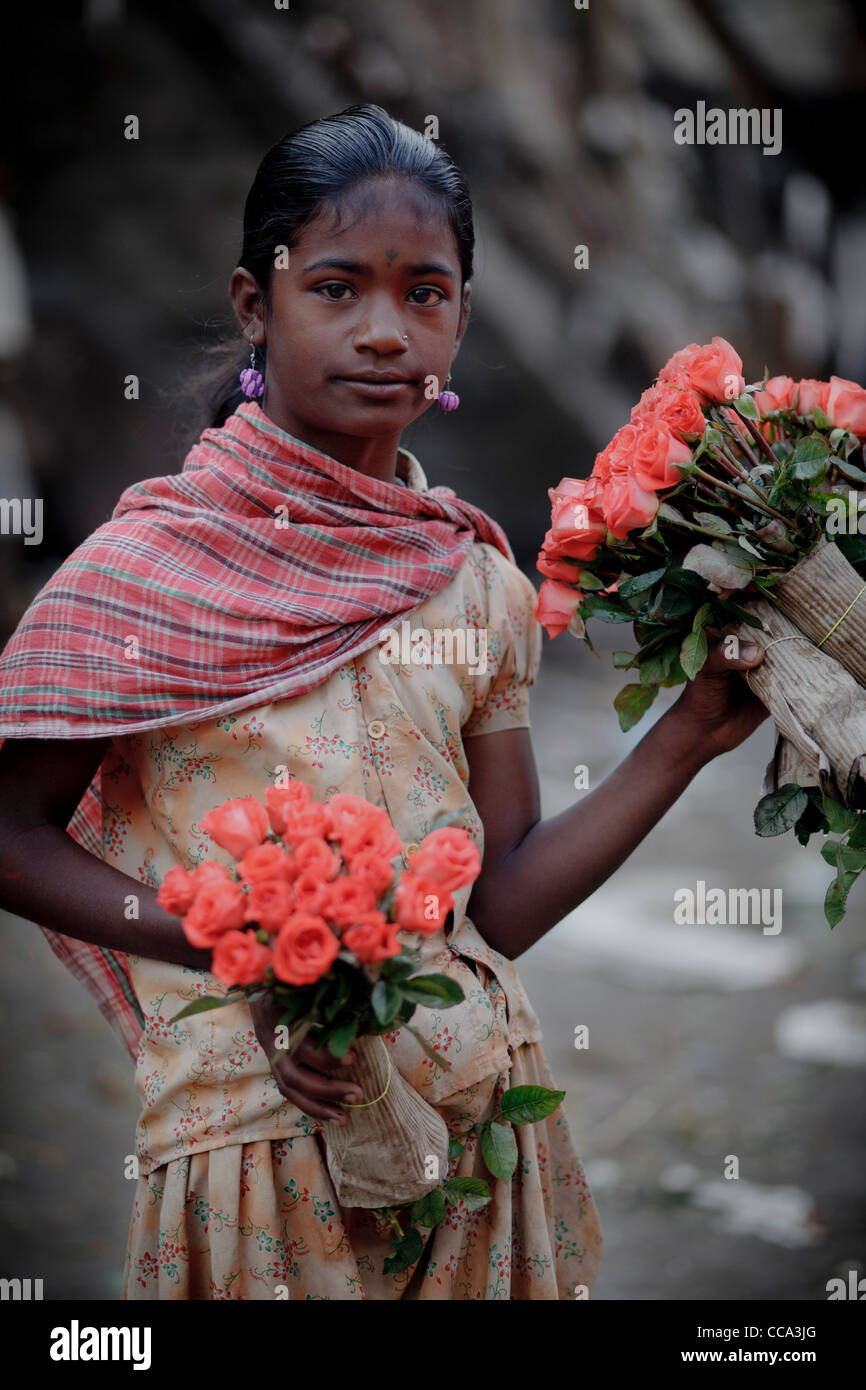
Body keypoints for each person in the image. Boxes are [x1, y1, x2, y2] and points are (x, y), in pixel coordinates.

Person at [0, 104, 767, 1301]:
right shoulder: (143, 572)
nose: (384, 332)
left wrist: (684, 737)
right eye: (338, 288)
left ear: (462, 314)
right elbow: (12, 833)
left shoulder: (471, 576)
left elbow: (495, 900)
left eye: (426, 294)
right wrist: (242, 947)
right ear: (257, 306)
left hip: (472, 1129)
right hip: (253, 1149)